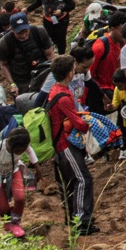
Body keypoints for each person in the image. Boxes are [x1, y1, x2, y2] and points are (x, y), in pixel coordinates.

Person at [46, 70, 97, 235]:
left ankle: (71, 219)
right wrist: (90, 124)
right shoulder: (64, 97)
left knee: (68, 183)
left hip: (60, 145)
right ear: (69, 74)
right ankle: (81, 222)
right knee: (83, 180)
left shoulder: (54, 90)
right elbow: (78, 123)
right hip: (66, 144)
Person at [0, 11, 56, 94]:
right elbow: (4, 65)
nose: (23, 35)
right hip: (22, 80)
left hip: (42, 72)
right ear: (12, 29)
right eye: (19, 33)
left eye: (25, 31)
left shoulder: (39, 32)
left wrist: (54, 72)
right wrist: (12, 84)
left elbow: (50, 54)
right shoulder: (4, 43)